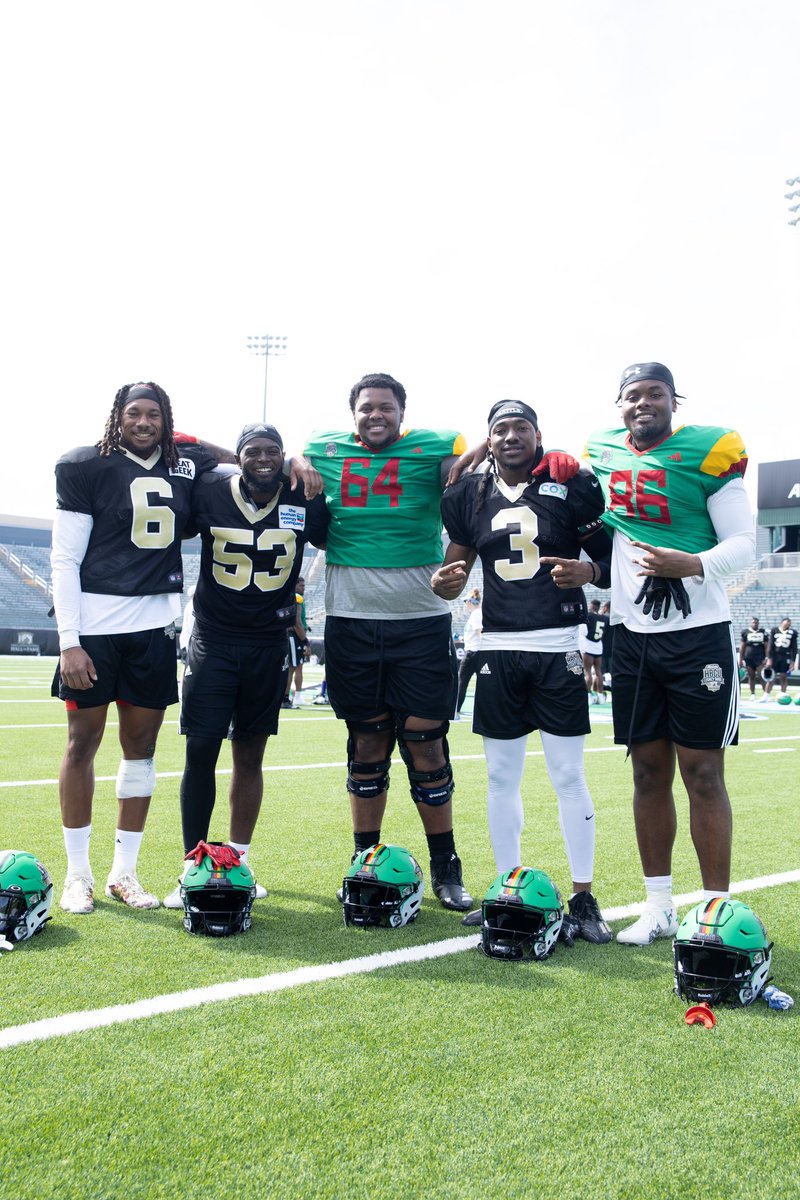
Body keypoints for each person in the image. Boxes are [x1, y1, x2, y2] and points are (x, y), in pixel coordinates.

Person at [585, 362, 754, 945]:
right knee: (646, 771)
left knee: (703, 773)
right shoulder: (603, 452)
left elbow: (745, 544)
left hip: (698, 632)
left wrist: (694, 563)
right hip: (631, 636)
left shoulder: (709, 453)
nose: (643, 403)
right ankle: (657, 905)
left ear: (673, 400)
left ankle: (713, 911)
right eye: (632, 395)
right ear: (620, 405)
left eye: (655, 393)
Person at [433, 399, 613, 943]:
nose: (510, 437)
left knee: (567, 776)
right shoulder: (469, 493)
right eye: (500, 430)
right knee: (499, 777)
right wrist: (446, 583)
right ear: (488, 439)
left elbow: (607, 559)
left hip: (557, 645)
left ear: (538, 435)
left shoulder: (571, 483)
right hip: (498, 647)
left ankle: (582, 898)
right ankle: (504, 887)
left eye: (521, 428)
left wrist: (589, 569)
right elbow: (456, 567)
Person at [50, 381, 224, 914]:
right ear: (117, 417)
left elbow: (232, 460)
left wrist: (261, 453)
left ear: (167, 422)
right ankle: (77, 872)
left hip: (154, 629)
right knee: (82, 745)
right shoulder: (86, 465)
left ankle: (123, 873)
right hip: (96, 629)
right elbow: (63, 559)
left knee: (141, 751)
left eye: (154, 415)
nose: (144, 422)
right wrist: (69, 642)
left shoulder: (183, 465)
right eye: (134, 413)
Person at [164, 423, 329, 907]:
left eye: (272, 452)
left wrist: (297, 462)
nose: (262, 459)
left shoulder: (304, 495)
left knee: (250, 755)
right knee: (201, 752)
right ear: (238, 457)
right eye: (251, 452)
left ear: (283, 456)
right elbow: (184, 442)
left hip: (268, 643)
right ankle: (193, 864)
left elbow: (330, 538)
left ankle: (237, 858)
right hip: (214, 640)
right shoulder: (211, 488)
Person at [283, 576, 310, 707]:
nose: (303, 588)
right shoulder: (296, 598)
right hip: (294, 636)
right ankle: (285, 698)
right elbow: (296, 622)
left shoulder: (292, 597)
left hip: (294, 635)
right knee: (291, 668)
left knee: (296, 667)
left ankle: (294, 696)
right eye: (301, 585)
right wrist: (305, 641)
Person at [455, 600, 482, 718]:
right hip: (476, 652)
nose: (465, 604)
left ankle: (456, 709)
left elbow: (480, 632)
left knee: (461, 682)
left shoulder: (476, 613)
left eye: (466, 601)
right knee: (481, 684)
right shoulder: (476, 613)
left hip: (473, 653)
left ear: (470, 602)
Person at [579, 598, 609, 703]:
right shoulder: (604, 618)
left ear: (592, 606)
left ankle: (588, 696)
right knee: (598, 672)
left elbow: (584, 632)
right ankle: (600, 695)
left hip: (588, 646)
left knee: (587, 672)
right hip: (598, 646)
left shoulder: (589, 616)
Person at [764, 617, 798, 698]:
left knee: (784, 676)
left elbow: (794, 648)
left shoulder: (792, 633)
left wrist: (793, 662)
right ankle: (766, 695)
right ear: (782, 623)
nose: (786, 625)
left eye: (788, 624)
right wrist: (769, 658)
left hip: (785, 656)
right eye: (785, 623)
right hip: (775, 656)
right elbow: (770, 645)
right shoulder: (774, 630)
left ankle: (782, 695)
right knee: (772, 676)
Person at [739, 616, 768, 699]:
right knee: (751, 676)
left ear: (758, 623)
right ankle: (752, 694)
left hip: (760, 657)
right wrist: (740, 659)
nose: (754, 624)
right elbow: (742, 647)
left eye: (756, 622)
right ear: (750, 623)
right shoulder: (746, 632)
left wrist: (766, 658)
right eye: (753, 622)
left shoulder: (763, 632)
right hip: (748, 657)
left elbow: (766, 646)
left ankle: (765, 694)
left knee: (761, 676)